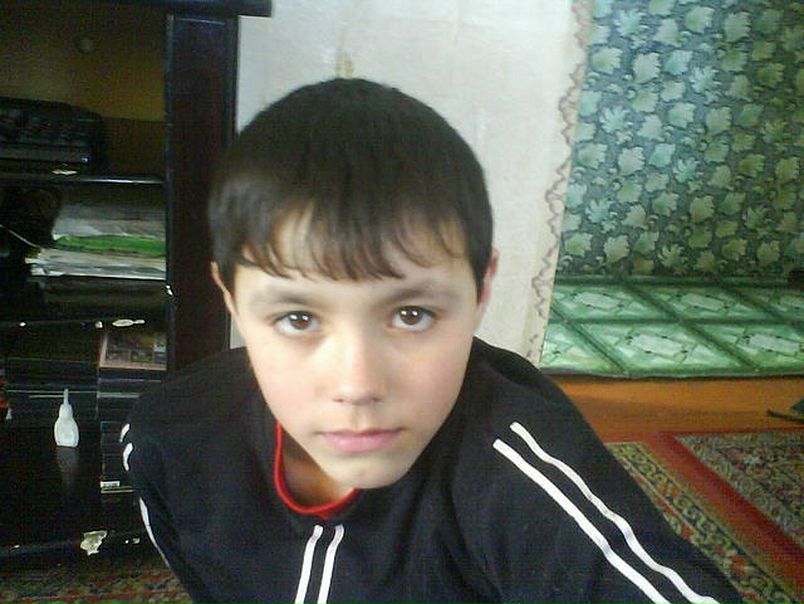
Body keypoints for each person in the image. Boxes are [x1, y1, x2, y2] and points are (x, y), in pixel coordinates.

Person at [122, 78, 741, 603]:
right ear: (231, 299)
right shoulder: (167, 441)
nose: (357, 385)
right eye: (299, 319)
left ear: (480, 288)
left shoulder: (519, 479)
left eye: (412, 314)